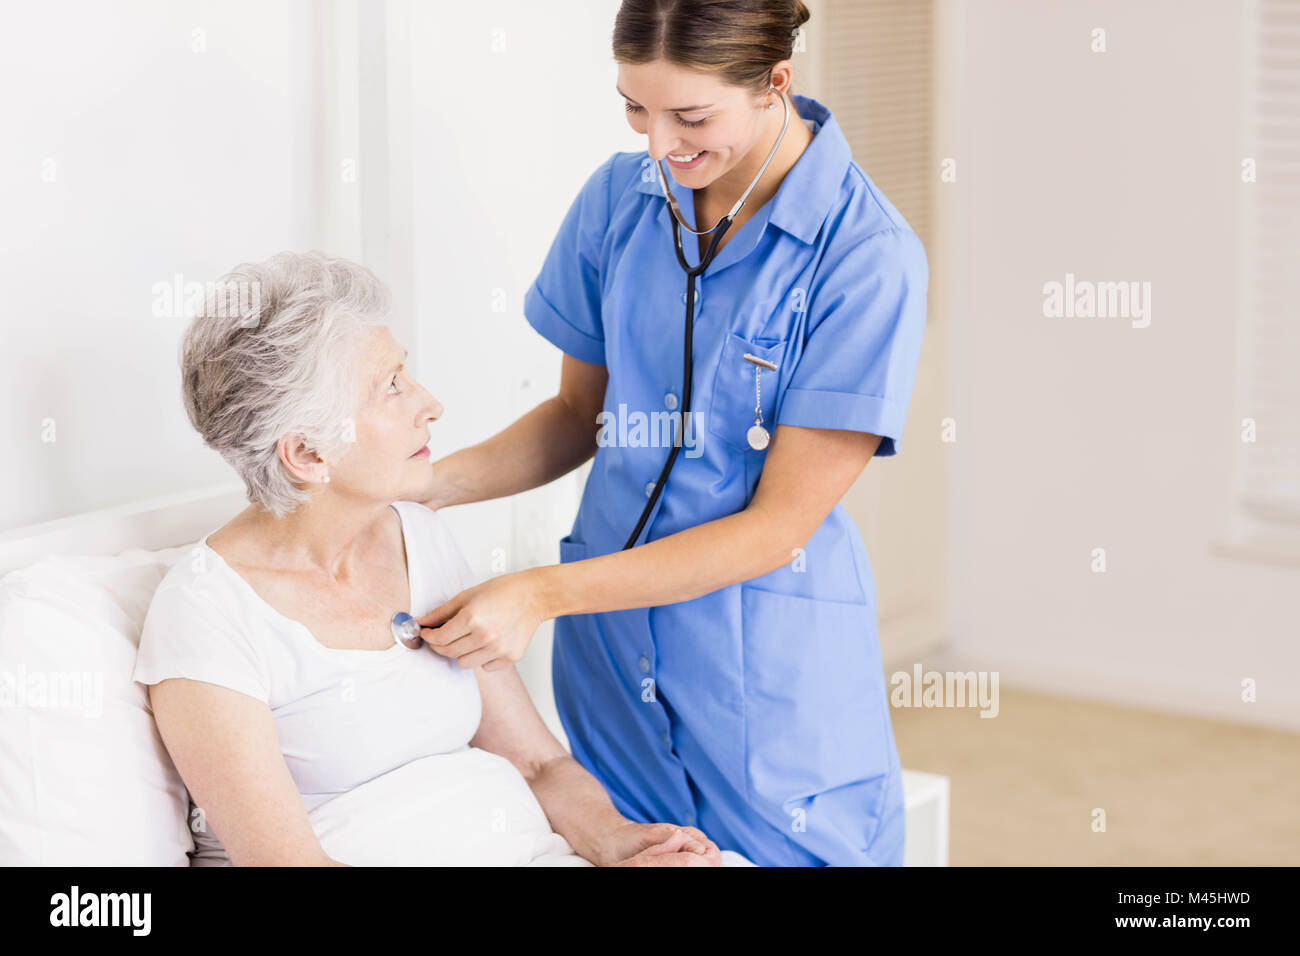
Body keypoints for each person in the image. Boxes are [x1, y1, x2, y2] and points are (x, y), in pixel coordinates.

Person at [416, 0, 929, 866]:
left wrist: (539, 594)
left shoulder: (866, 257)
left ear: (776, 83)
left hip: (767, 682)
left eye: (691, 116)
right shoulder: (620, 200)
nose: (660, 145)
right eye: (635, 108)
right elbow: (578, 420)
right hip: (613, 661)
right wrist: (417, 486)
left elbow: (778, 527)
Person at [132, 251, 727, 866]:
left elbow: (540, 764)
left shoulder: (416, 537)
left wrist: (622, 843)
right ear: (308, 453)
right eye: (391, 386)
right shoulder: (206, 614)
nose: (431, 404)